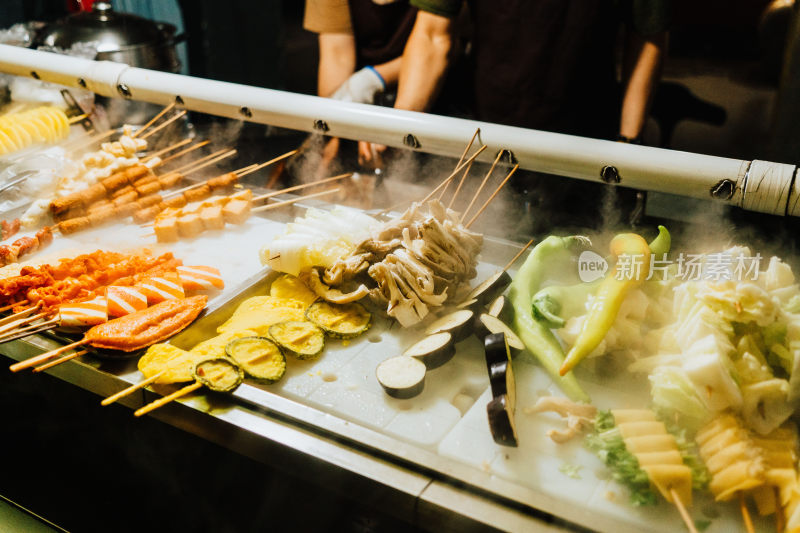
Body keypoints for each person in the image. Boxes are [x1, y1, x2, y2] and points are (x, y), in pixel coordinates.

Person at [388, 1, 671, 228]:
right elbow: (431, 34)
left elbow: (648, 36)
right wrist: (399, 128)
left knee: (571, 266)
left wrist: (627, 143)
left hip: (585, 142)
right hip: (482, 136)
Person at [304, 0, 418, 168]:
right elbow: (337, 56)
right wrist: (335, 130)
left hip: (428, 94)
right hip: (358, 103)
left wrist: (371, 80)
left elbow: (435, 42)